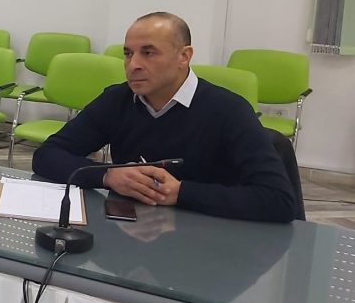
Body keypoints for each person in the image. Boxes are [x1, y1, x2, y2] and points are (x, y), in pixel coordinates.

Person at [32, 12, 297, 222]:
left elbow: (278, 201)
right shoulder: (117, 100)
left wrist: (181, 192)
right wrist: (108, 176)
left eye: (148, 53)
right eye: (128, 54)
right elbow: (47, 155)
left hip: (209, 241)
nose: (133, 64)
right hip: (132, 236)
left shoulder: (229, 111)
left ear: (184, 56)